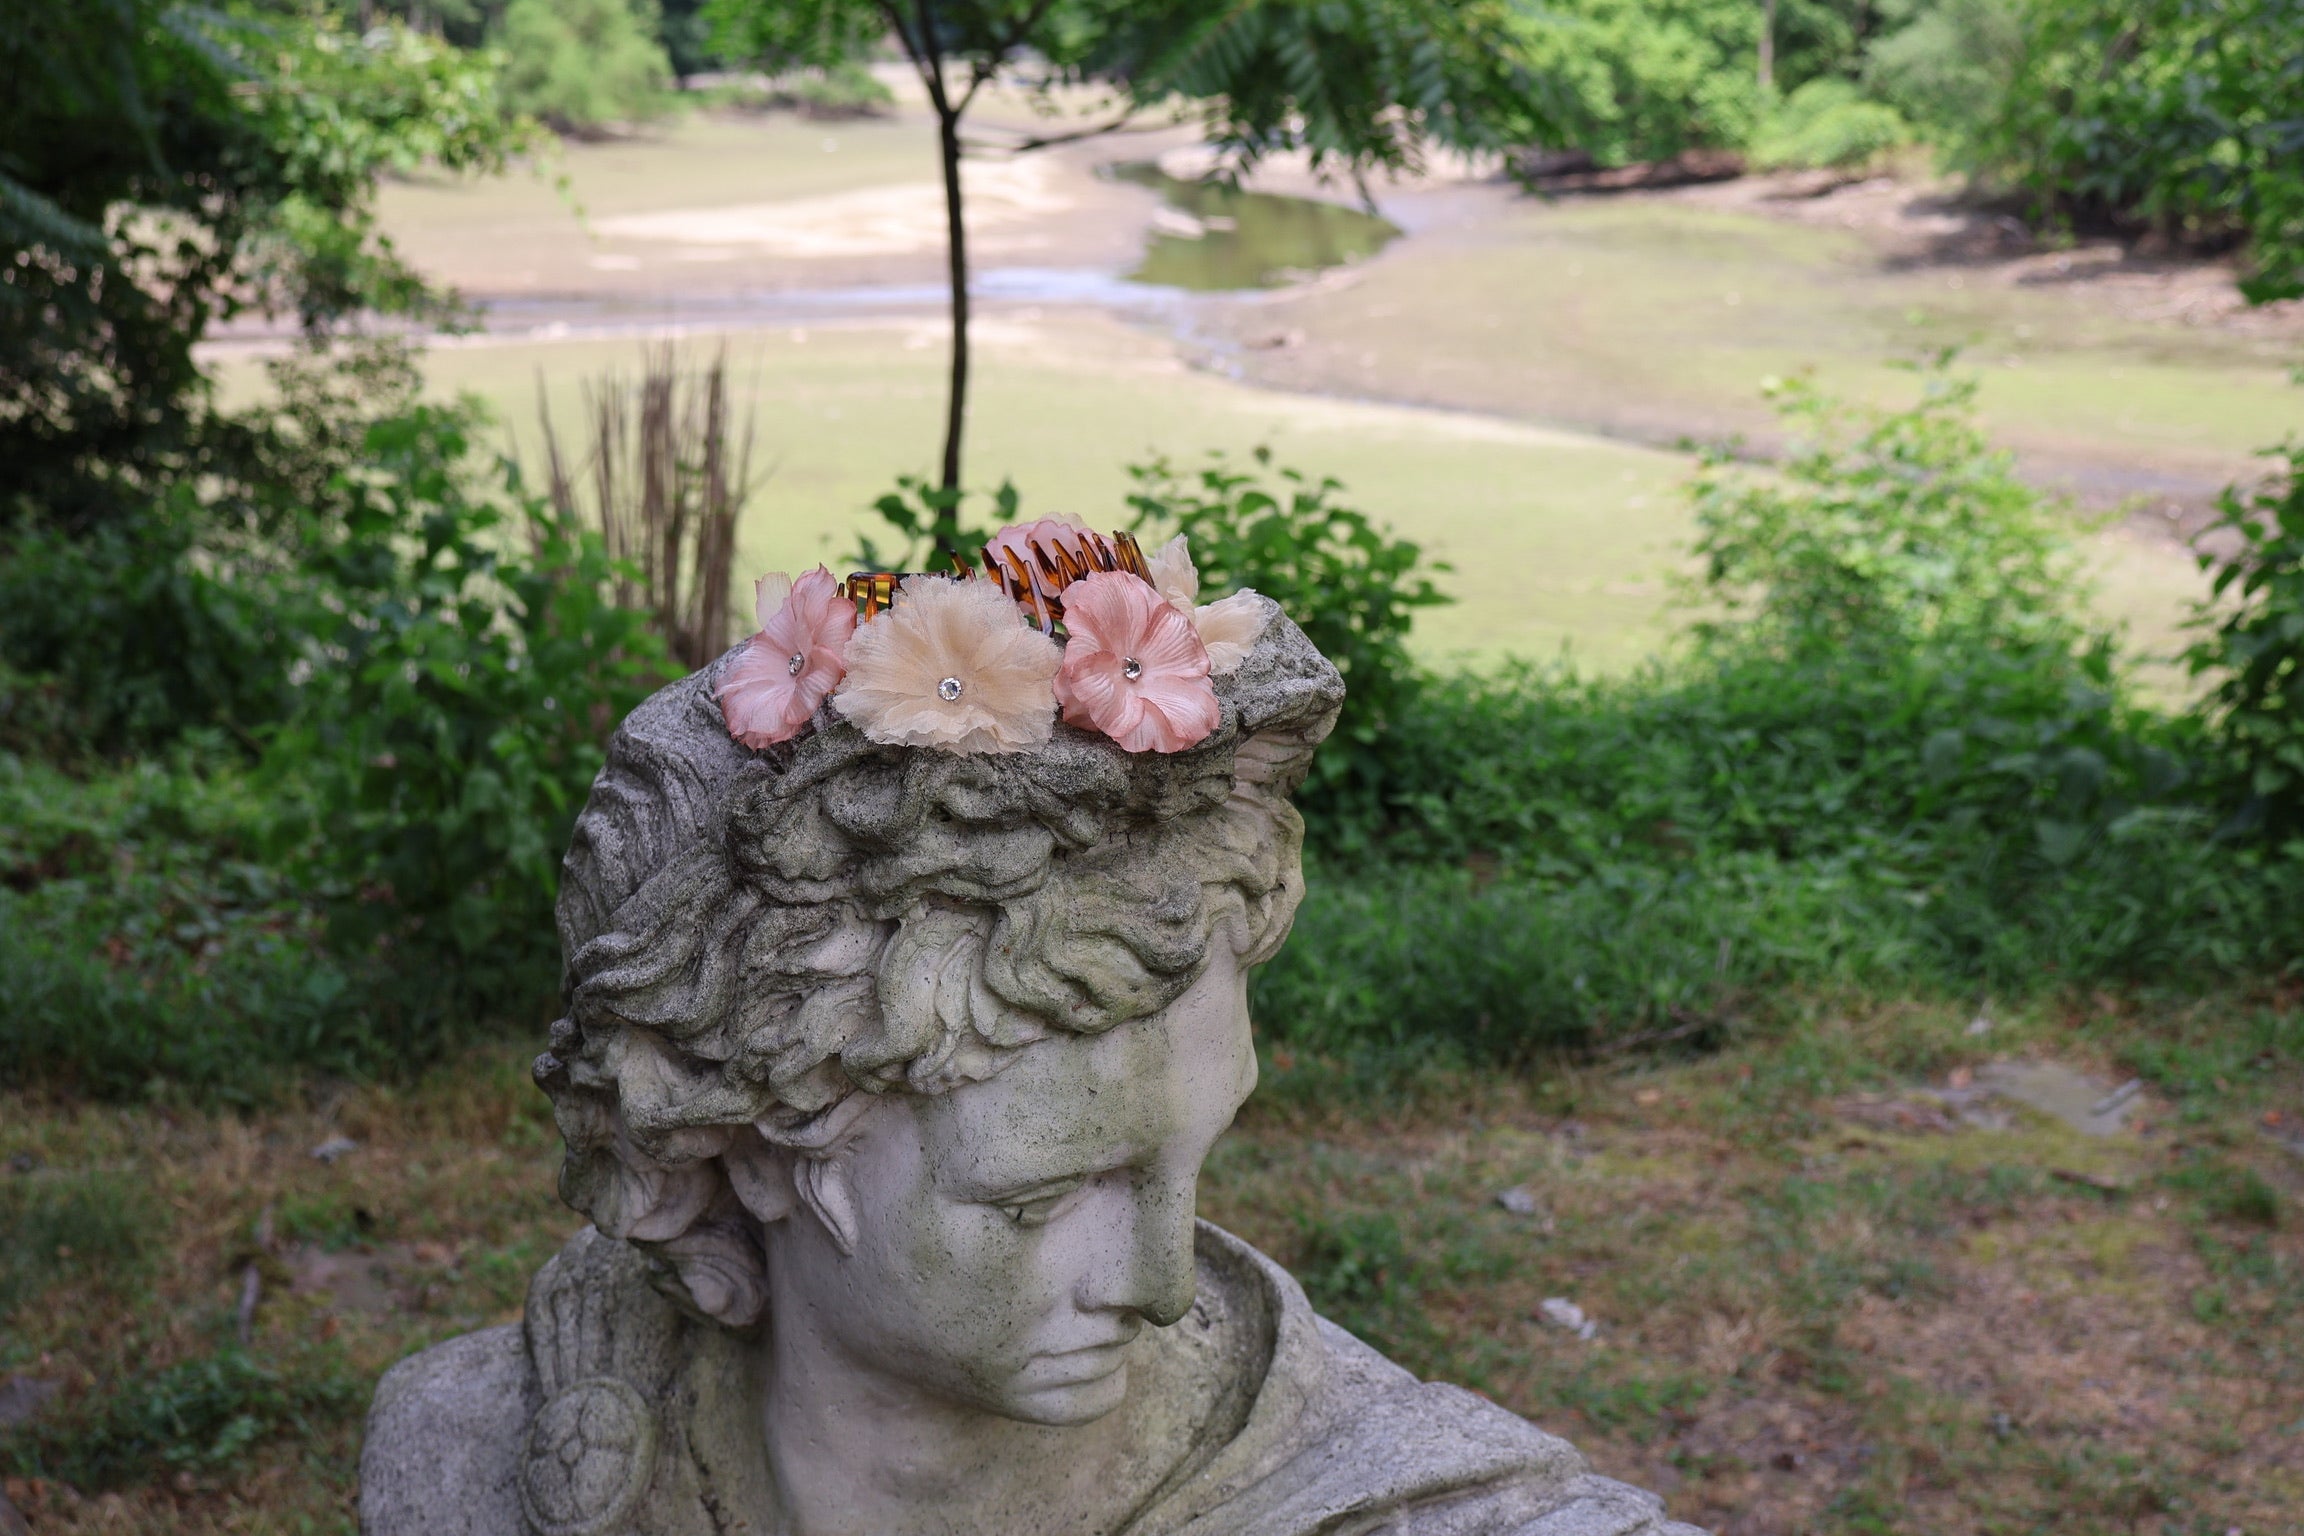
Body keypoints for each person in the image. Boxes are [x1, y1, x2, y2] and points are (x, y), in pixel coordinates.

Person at [360, 563, 1703, 1536]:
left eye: (1195, 1159)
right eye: (1044, 1196)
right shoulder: (475, 1458)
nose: (1165, 1286)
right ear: (753, 1142)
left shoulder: (1390, 1508)